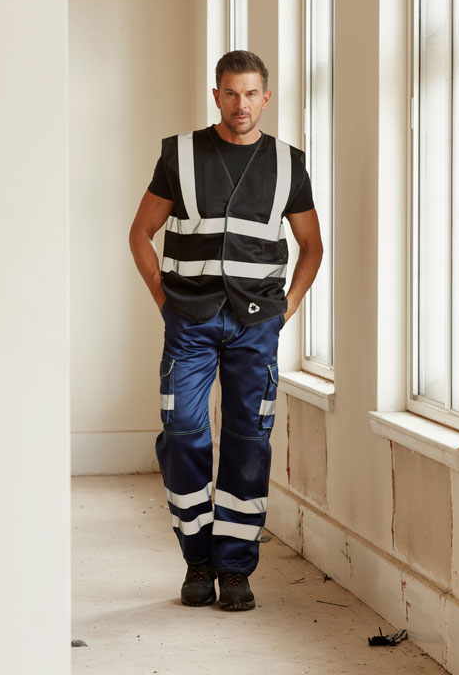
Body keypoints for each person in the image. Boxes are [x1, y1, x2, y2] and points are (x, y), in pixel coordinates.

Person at [129, 50, 323, 611]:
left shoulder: (288, 164)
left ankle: (235, 569)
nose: (242, 104)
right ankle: (198, 558)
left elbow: (311, 246)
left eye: (252, 93)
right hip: (189, 321)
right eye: (231, 93)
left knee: (248, 441)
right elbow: (140, 233)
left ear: (266, 97)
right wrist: (164, 299)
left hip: (256, 325)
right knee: (182, 432)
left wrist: (286, 309)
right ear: (216, 96)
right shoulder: (181, 155)